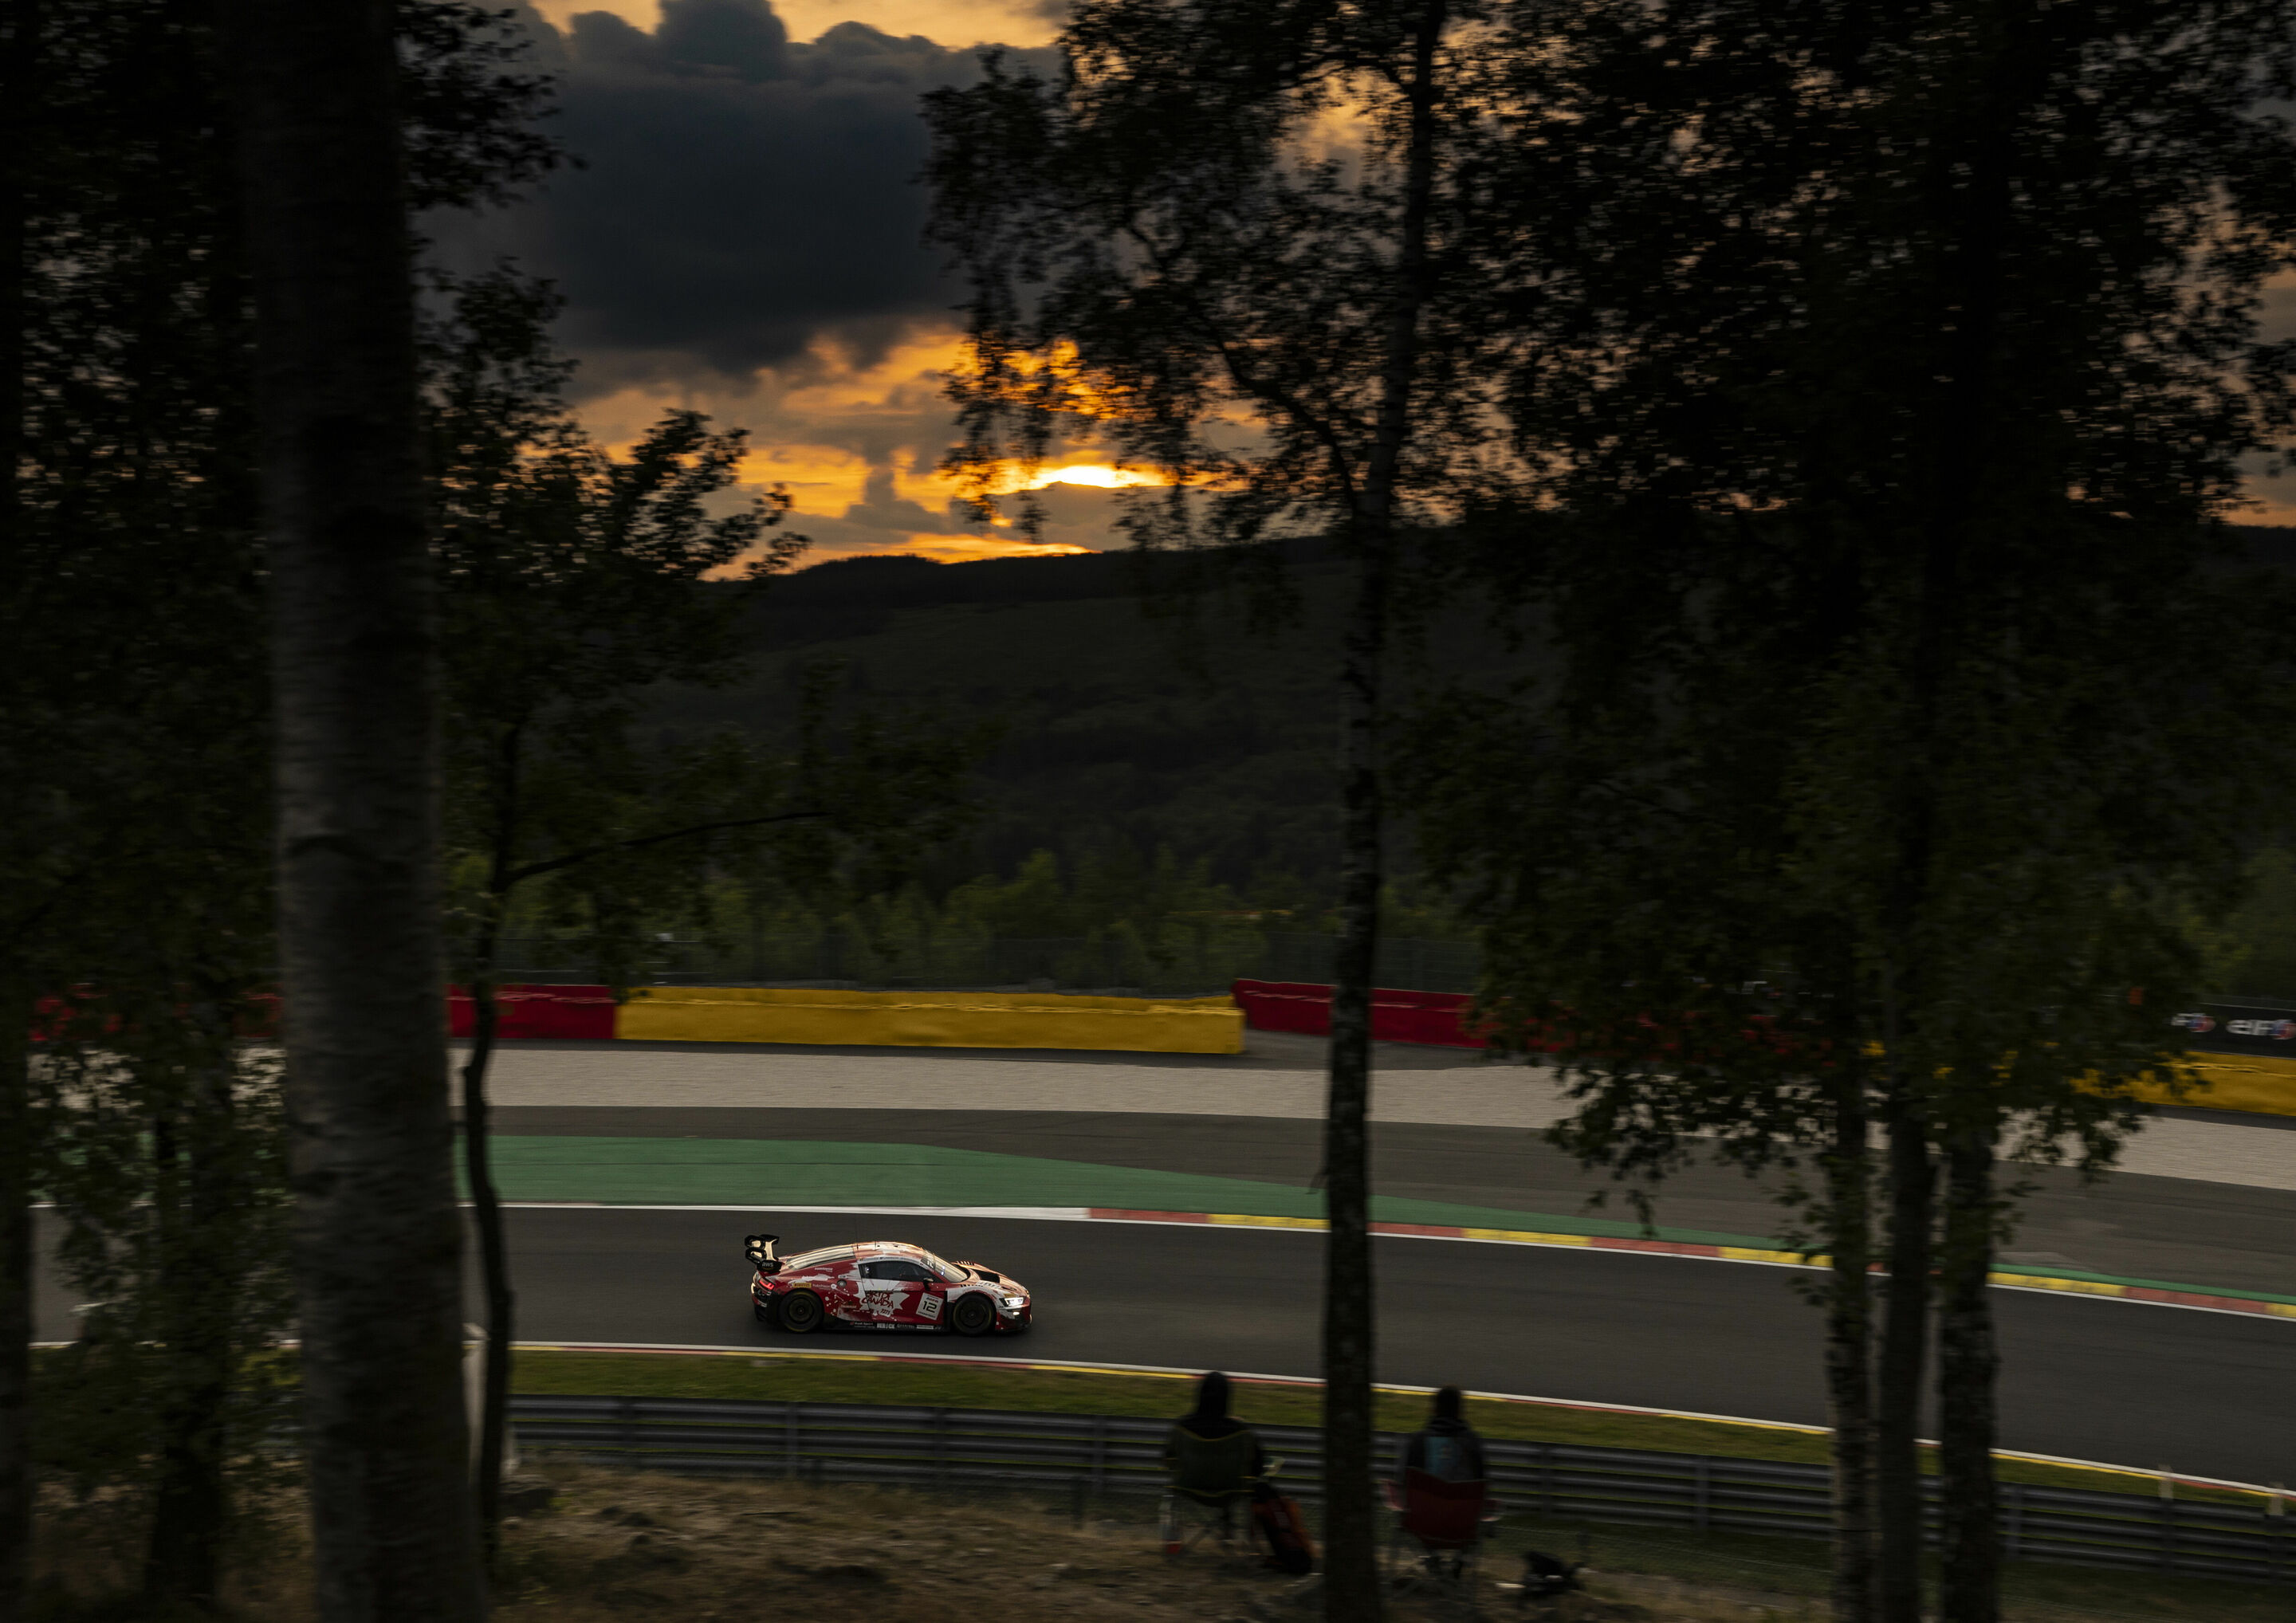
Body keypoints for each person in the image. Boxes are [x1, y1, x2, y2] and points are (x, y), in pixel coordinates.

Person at [1397, 1385, 1486, 1484]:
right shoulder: (1472, 1441)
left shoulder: (1419, 1440)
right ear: (1460, 1411)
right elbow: (1481, 1482)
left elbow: (1405, 1481)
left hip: (1425, 1494)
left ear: (1434, 1409)